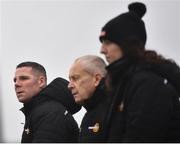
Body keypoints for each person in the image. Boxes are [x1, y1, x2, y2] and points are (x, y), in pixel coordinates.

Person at [99, 2, 180, 142]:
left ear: (126, 44)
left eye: (108, 42)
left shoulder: (149, 84)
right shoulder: (124, 83)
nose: (102, 50)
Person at [14, 61, 81, 143]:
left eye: (24, 78)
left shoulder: (51, 113)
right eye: (15, 80)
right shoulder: (40, 111)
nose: (16, 84)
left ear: (41, 82)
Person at [68, 55, 109, 142]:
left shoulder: (114, 110)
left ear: (97, 79)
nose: (69, 86)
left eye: (75, 78)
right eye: (70, 79)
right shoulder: (91, 113)